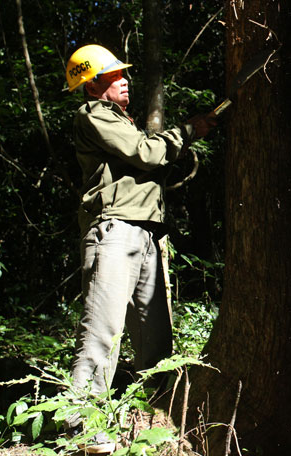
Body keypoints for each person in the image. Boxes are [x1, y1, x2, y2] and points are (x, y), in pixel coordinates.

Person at [63, 44, 214, 452]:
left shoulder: (120, 120)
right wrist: (188, 131)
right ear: (92, 84)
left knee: (156, 341)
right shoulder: (92, 115)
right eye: (114, 76)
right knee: (103, 332)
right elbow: (146, 154)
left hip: (144, 234)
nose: (125, 79)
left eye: (123, 74)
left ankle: (155, 420)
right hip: (113, 232)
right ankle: (82, 427)